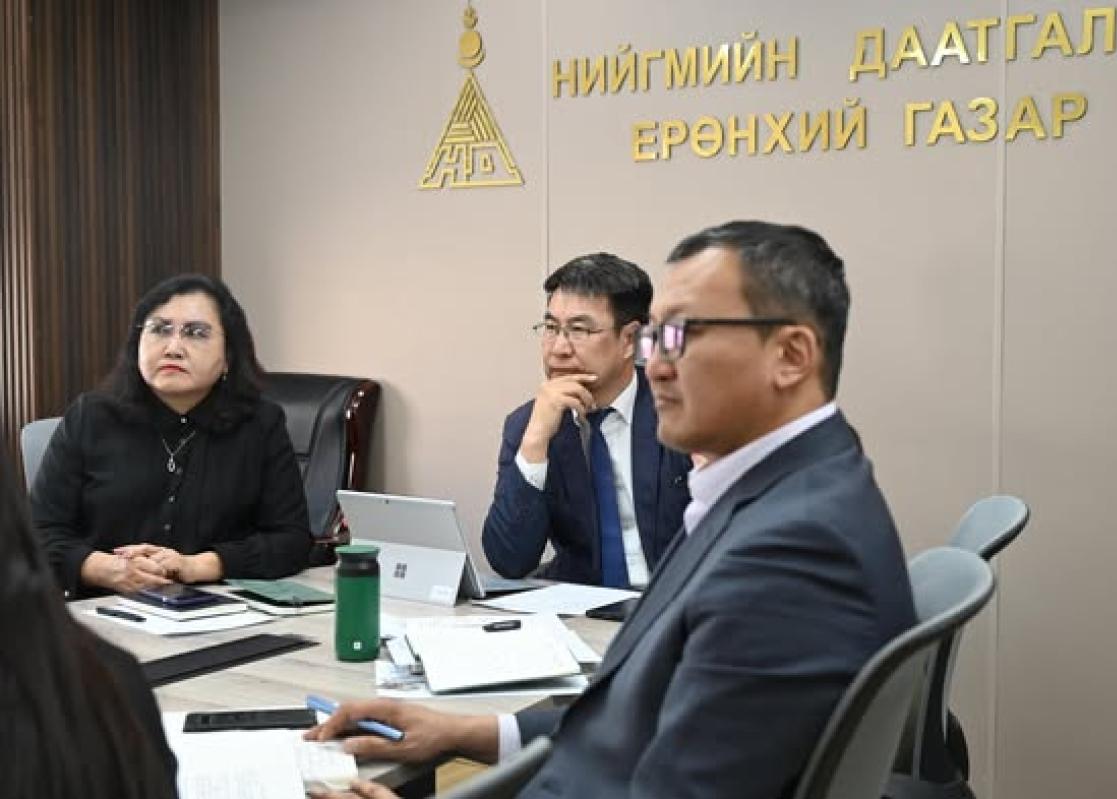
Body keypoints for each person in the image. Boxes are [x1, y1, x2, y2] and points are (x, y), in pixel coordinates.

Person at [307, 221, 917, 799]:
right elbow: (644, 716)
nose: (657, 364)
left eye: (681, 334)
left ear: (791, 355)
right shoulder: (783, 488)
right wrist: (471, 731)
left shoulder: (795, 549)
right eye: (656, 338)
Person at [31, 274, 311, 599]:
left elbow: (291, 540)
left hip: (216, 609)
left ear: (228, 357)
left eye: (196, 333)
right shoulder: (90, 417)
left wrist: (198, 566)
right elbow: (35, 534)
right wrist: (104, 569)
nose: (173, 348)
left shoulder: (260, 425)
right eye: (160, 329)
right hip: (102, 610)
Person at [481, 253, 691, 587]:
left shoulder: (683, 408)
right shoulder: (529, 423)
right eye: (551, 328)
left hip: (677, 603)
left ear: (629, 339)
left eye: (578, 330)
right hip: (582, 608)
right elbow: (509, 561)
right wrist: (535, 441)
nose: (558, 348)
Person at [0, 452, 178, 798]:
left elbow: (287, 535)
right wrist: (96, 566)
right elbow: (48, 530)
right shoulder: (105, 682)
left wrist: (201, 563)